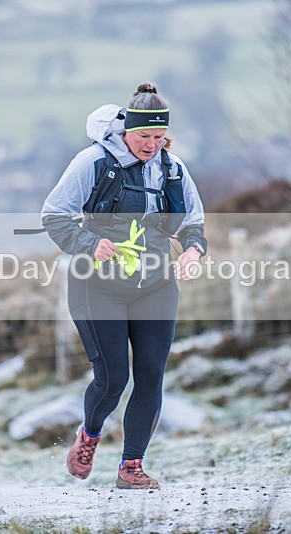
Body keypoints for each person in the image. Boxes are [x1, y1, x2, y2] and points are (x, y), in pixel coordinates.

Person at [41, 82, 207, 490]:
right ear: (126, 129)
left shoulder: (173, 169)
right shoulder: (93, 162)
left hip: (155, 284)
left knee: (150, 376)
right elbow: (53, 216)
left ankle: (131, 466)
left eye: (158, 137)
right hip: (97, 285)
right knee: (114, 379)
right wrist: (89, 242)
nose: (151, 144)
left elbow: (194, 226)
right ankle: (89, 436)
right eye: (143, 136)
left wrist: (191, 252)